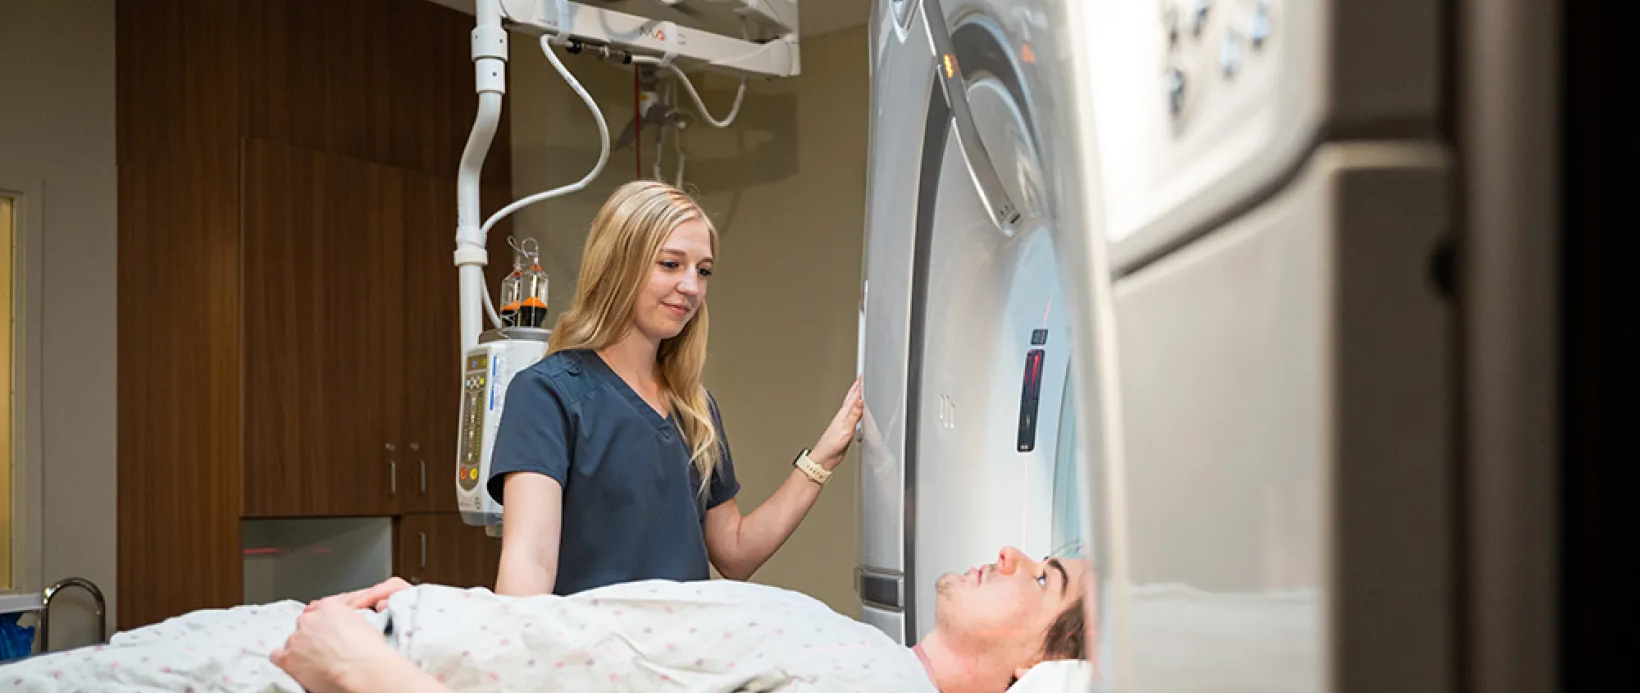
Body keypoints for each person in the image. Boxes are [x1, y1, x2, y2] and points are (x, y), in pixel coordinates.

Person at [0, 545, 1092, 693]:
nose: (1008, 553)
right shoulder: (860, 652)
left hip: (341, 671)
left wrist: (362, 668)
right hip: (370, 630)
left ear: (1034, 667)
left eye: (1042, 575)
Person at [487, 179, 862, 597]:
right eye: (670, 264)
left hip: (683, 638)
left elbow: (735, 553)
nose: (692, 287)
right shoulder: (546, 395)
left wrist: (825, 455)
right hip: (595, 639)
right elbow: (530, 560)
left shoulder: (695, 409)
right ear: (617, 265)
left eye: (703, 271)